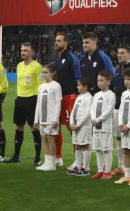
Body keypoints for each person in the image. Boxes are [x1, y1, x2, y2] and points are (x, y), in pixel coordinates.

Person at [48, 32, 81, 168]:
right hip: (57, 98)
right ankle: (58, 157)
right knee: (56, 127)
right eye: (55, 40)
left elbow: (78, 78)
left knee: (71, 127)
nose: (56, 43)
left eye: (59, 41)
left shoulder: (72, 59)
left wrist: (77, 97)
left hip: (69, 97)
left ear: (66, 43)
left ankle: (77, 159)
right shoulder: (54, 58)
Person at [11, 42, 43, 165]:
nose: (23, 52)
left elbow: (40, 84)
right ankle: (16, 155)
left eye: (25, 50)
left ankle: (37, 157)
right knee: (18, 127)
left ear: (31, 53)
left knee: (34, 128)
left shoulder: (37, 66)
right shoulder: (19, 66)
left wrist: (38, 101)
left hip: (32, 100)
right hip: (20, 100)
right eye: (22, 50)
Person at [111, 45, 130, 176]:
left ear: (129, 55)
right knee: (119, 137)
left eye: (122, 53)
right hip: (118, 108)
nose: (119, 55)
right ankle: (121, 166)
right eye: (118, 53)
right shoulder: (116, 70)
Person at [34, 64, 63, 171]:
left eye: (46, 72)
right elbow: (38, 103)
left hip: (51, 118)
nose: (44, 75)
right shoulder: (41, 87)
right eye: (43, 72)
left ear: (52, 73)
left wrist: (56, 119)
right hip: (43, 118)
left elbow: (58, 103)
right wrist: (36, 119)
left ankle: (52, 163)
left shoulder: (56, 86)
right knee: (45, 139)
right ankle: (46, 162)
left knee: (51, 139)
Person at [90, 70, 116, 179]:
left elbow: (110, 110)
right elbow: (92, 108)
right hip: (95, 126)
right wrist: (93, 119)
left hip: (105, 126)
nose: (99, 82)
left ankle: (108, 172)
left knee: (106, 149)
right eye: (98, 80)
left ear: (108, 81)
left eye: (101, 80)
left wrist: (99, 119)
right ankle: (100, 170)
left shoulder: (111, 95)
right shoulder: (96, 95)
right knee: (98, 149)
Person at [68, 76, 94, 176]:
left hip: (84, 126)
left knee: (85, 146)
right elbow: (73, 111)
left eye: (79, 85)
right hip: (75, 126)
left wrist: (78, 125)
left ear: (85, 87)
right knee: (78, 146)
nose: (77, 87)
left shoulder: (89, 98)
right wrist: (71, 123)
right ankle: (78, 167)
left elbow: (88, 113)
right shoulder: (78, 97)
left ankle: (85, 168)